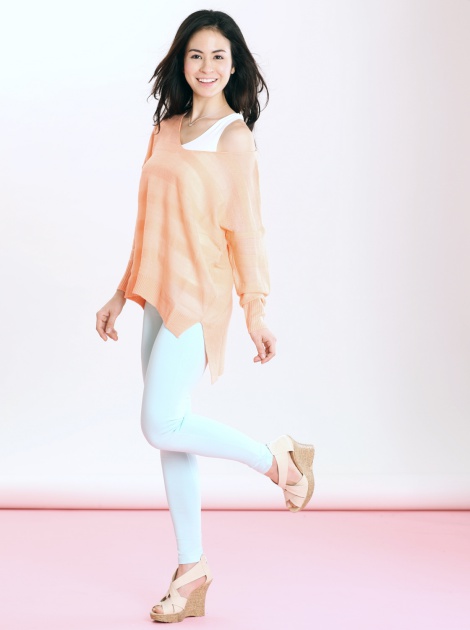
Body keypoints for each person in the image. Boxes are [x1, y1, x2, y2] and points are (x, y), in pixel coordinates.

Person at [95, 9, 314, 624]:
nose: (207, 66)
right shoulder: (165, 129)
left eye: (219, 55)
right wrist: (121, 292)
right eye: (196, 55)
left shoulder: (235, 138)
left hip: (201, 296)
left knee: (160, 423)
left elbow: (247, 231)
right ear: (182, 62)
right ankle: (191, 569)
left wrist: (255, 311)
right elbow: (149, 224)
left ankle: (277, 460)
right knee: (173, 430)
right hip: (158, 293)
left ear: (234, 64)